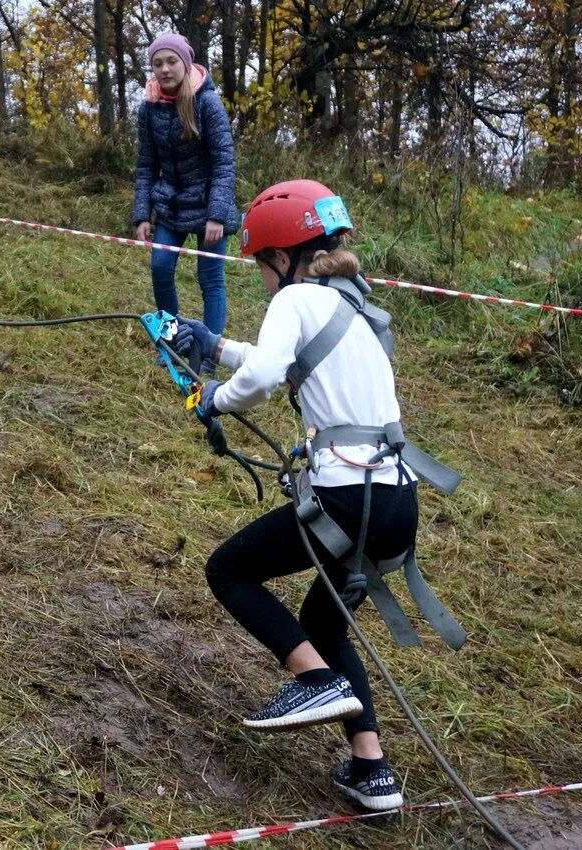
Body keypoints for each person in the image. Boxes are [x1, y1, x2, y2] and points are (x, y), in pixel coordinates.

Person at [167, 180, 416, 813]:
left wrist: (211, 398)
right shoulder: (353, 308)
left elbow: (264, 377)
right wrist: (216, 347)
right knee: (325, 627)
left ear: (283, 256)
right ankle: (372, 770)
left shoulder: (296, 298)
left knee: (228, 570)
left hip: (343, 497)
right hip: (395, 503)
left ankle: (314, 682)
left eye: (260, 264)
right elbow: (285, 361)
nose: (259, 278)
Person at [132, 33, 239, 375]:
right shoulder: (148, 108)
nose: (164, 69)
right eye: (157, 63)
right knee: (160, 268)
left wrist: (217, 215)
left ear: (186, 63)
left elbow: (224, 161)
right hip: (169, 206)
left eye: (171, 61)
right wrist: (142, 215)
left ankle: (208, 356)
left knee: (210, 279)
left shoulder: (207, 103)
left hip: (209, 206)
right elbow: (146, 165)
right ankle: (173, 345)